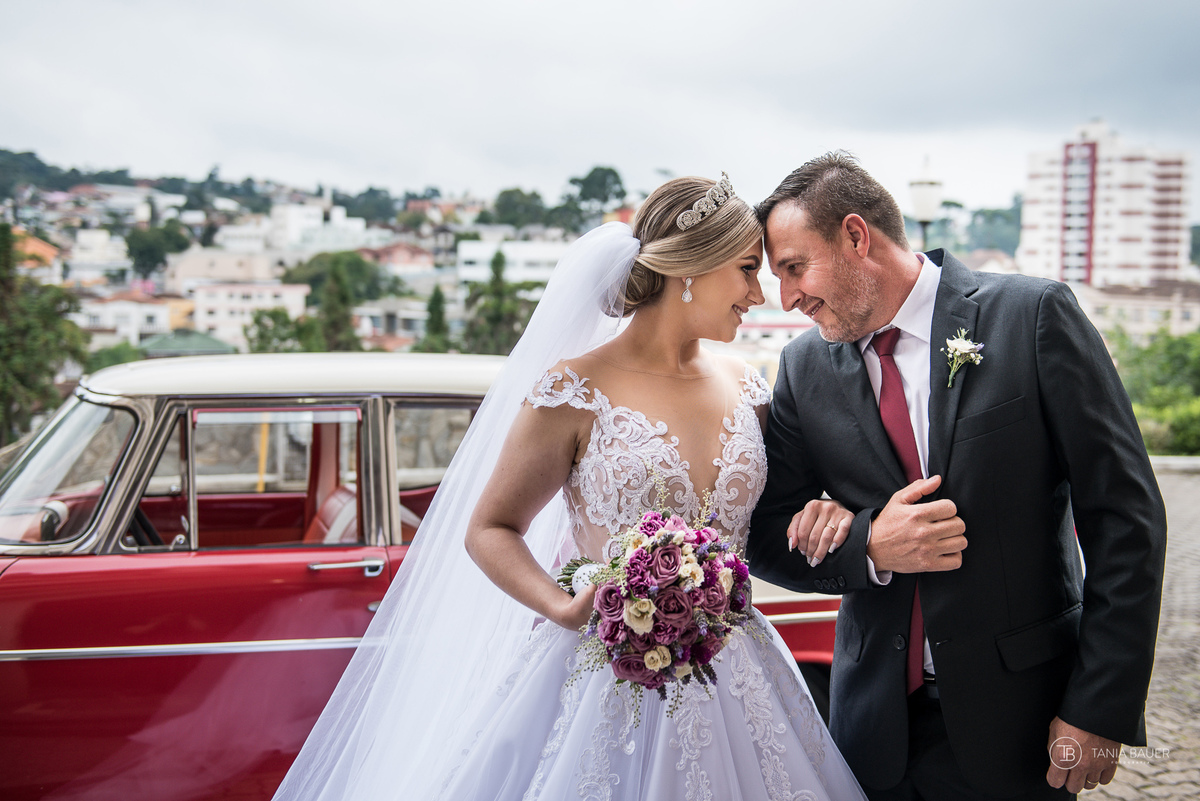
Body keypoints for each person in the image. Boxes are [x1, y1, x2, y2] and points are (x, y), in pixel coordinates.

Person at [274, 175, 867, 801]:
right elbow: (489, 528)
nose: (757, 293)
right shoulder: (573, 390)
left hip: (738, 668)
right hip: (604, 671)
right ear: (690, 267)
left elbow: (786, 504)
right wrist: (563, 605)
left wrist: (825, 507)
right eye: (747, 269)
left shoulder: (749, 387)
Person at [746, 152, 1167, 800]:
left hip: (1022, 724)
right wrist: (869, 546)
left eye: (795, 267)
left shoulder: (1032, 317)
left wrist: (1099, 707)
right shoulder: (803, 367)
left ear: (857, 236)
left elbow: (1126, 519)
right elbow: (767, 532)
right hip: (871, 730)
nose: (789, 297)